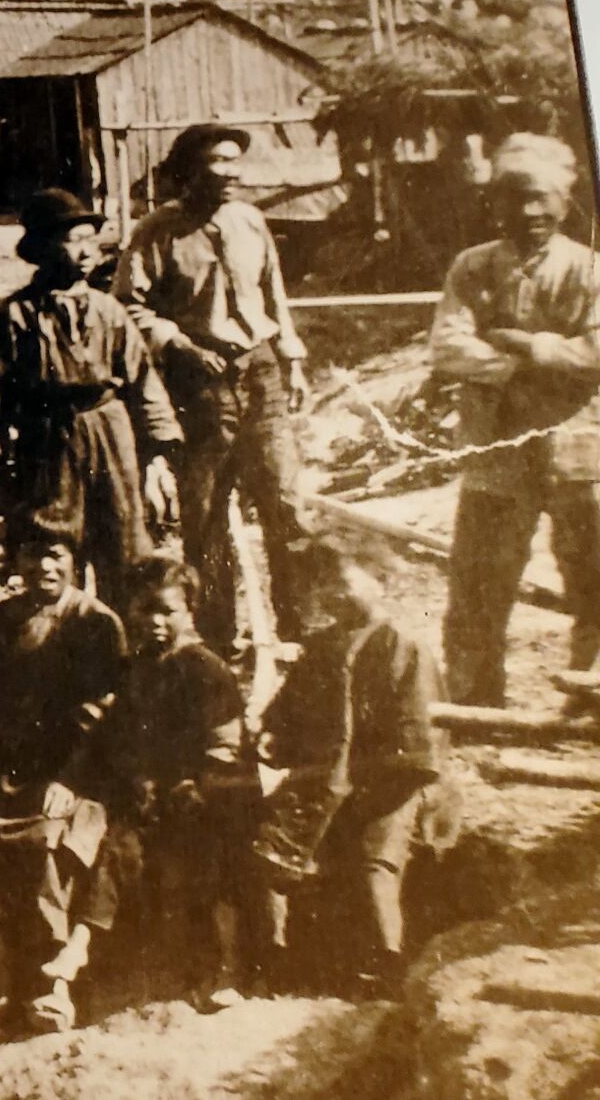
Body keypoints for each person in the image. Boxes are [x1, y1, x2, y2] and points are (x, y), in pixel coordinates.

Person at [115, 123, 313, 658]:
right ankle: (218, 636)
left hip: (260, 371)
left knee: (285, 503)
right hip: (199, 384)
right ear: (188, 172)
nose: (229, 172)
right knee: (206, 514)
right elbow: (129, 305)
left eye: (233, 161)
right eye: (215, 163)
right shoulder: (156, 232)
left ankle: (300, 626)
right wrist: (178, 344)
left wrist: (292, 359)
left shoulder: (250, 221)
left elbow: (275, 294)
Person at [430, 133, 600, 707]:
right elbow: (449, 346)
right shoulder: (472, 268)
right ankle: (476, 700)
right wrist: (512, 367)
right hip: (495, 450)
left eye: (540, 199)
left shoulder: (589, 268)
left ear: (563, 201)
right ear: (494, 204)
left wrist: (531, 346)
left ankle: (591, 697)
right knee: (479, 579)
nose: (528, 213)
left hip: (578, 451)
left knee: (593, 577)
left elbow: (596, 353)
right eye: (512, 198)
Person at [0, 530, 126, 1044]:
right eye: (31, 553)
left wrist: (70, 777)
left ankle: (50, 985)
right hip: (7, 773)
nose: (42, 565)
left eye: (54, 555)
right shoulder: (4, 619)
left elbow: (106, 714)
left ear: (72, 560)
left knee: (47, 843)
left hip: (74, 774)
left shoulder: (95, 623)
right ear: (16, 561)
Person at [252, 537, 448, 998]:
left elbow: (418, 740)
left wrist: (371, 782)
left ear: (379, 581)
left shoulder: (403, 644)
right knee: (272, 851)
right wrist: (273, 738)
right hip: (326, 781)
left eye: (340, 581)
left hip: (390, 785)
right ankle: (277, 957)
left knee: (373, 861)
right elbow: (287, 715)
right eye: (321, 584)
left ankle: (389, 962)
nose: (330, 593)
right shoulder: (321, 646)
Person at [0, 188, 182, 609]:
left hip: (110, 430)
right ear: (44, 247)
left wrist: (158, 447)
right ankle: (65, 644)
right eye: (73, 240)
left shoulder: (109, 312)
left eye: (92, 240)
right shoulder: (16, 316)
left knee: (124, 537)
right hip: (48, 437)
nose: (86, 252)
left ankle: (123, 642)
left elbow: (141, 379)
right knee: (54, 539)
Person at [101, 555, 257, 1011]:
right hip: (153, 795)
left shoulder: (204, 667)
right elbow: (122, 739)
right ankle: (158, 968)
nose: (153, 622)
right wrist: (135, 780)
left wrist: (193, 786)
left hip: (209, 792)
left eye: (165, 611)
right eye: (143, 610)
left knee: (207, 858)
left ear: (188, 612)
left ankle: (229, 966)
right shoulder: (136, 671)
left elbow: (225, 742)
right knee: (121, 852)